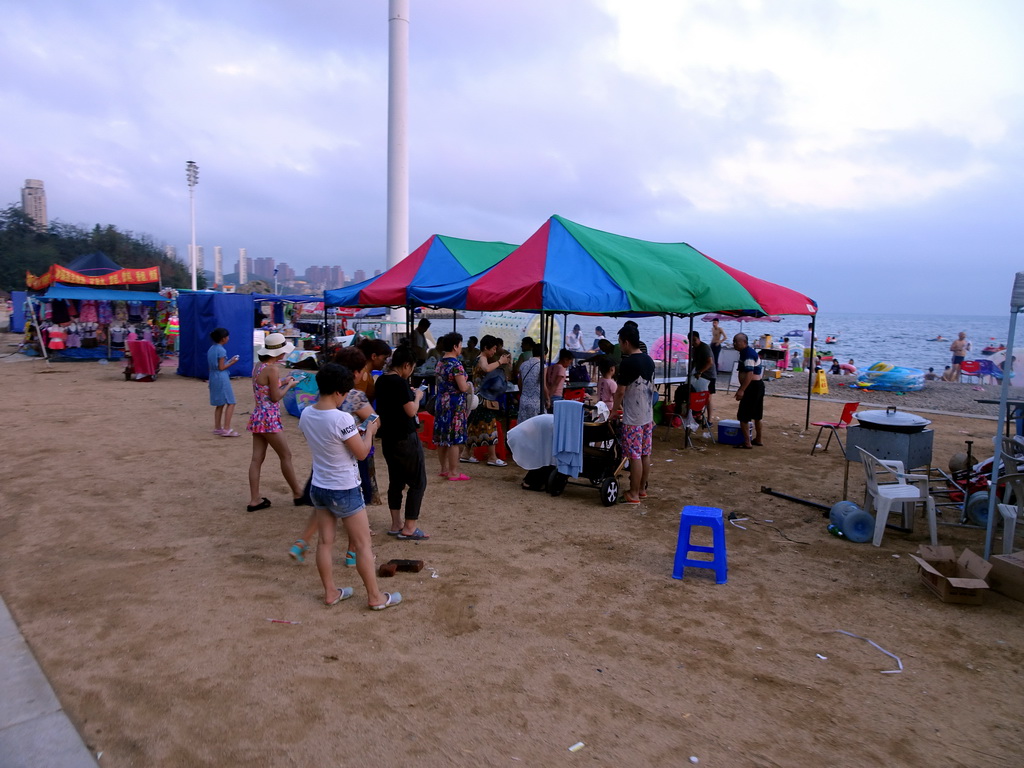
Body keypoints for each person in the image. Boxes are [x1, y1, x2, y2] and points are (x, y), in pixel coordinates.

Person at [298, 363, 399, 610]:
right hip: (344, 487)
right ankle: (375, 597)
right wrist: (370, 431)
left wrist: (356, 432)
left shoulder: (306, 414)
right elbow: (362, 453)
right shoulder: (341, 417)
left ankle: (331, 592)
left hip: (320, 485)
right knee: (364, 544)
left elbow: (329, 442)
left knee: (325, 542)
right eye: (344, 393)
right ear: (338, 392)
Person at [375, 343, 429, 539]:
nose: (411, 371)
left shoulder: (381, 380)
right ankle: (409, 527)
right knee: (418, 482)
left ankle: (396, 523)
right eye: (412, 367)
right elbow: (411, 411)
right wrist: (418, 396)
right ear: (406, 365)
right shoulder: (399, 382)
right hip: (404, 437)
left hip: (388, 438)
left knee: (396, 481)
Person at [246, 333, 305, 511]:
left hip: (258, 416)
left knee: (257, 459)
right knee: (285, 455)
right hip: (269, 418)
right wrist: (288, 385)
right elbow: (275, 397)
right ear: (278, 352)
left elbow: (265, 389)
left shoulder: (259, 366)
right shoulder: (272, 369)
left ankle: (254, 499)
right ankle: (297, 493)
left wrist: (281, 382)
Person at [611, 326, 655, 504]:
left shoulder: (628, 363)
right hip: (647, 415)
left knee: (634, 455)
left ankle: (634, 493)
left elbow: (620, 391)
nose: (620, 346)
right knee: (645, 453)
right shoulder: (649, 360)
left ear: (626, 342)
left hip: (633, 417)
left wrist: (614, 410)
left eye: (620, 343)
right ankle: (642, 489)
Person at [463, 335, 511, 467]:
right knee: (490, 426)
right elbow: (486, 369)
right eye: (493, 349)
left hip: (477, 398)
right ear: (486, 348)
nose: (494, 352)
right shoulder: (482, 359)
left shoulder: (480, 358)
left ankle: (466, 453)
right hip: (482, 399)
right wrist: (500, 362)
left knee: (475, 426)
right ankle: (492, 457)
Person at [433, 332, 472, 480]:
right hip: (455, 404)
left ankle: (443, 468)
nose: (461, 348)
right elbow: (462, 387)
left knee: (442, 437)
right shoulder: (456, 364)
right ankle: (453, 472)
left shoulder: (440, 362)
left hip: (441, 401)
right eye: (461, 345)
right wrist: (468, 383)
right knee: (454, 439)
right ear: (455, 346)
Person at [733, 333, 764, 449]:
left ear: (744, 342)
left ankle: (747, 442)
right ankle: (758, 439)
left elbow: (750, 373)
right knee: (757, 415)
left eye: (736, 341)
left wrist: (742, 390)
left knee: (743, 416)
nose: (734, 343)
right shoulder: (746, 353)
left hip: (752, 387)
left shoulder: (748, 354)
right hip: (757, 386)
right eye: (734, 341)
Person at [208, 328, 239, 437]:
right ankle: (226, 428)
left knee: (220, 404)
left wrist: (228, 361)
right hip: (221, 377)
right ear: (223, 339)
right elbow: (221, 367)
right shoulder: (221, 350)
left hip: (213, 376)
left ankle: (218, 427)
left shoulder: (212, 349)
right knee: (231, 402)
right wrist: (232, 362)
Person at [687, 330, 716, 421]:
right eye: (691, 341)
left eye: (694, 340)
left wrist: (700, 372)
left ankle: (709, 419)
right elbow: (694, 361)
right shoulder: (693, 349)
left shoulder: (705, 348)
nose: (693, 343)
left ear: (699, 339)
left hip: (709, 375)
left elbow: (710, 363)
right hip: (699, 375)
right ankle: (699, 415)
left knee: (708, 398)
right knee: (698, 396)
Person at [517, 343, 546, 423]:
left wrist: (524, 394)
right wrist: (548, 399)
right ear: (544, 353)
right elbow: (543, 385)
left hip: (523, 401)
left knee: (524, 427)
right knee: (537, 427)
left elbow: (520, 383)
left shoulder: (523, 364)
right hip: (537, 402)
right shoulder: (542, 366)